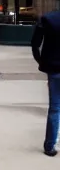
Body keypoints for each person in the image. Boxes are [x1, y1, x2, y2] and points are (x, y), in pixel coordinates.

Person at [31, 9, 60, 156]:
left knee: (55, 108)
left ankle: (50, 146)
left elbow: (35, 44)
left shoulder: (48, 19)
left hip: (54, 68)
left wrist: (41, 61)